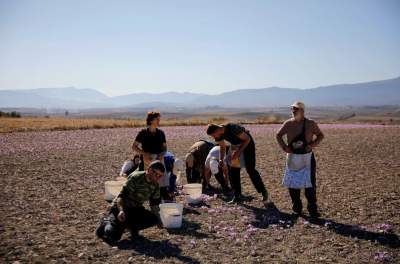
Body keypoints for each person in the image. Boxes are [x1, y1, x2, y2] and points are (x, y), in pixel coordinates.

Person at [96, 161, 165, 245]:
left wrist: (159, 220)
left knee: (153, 219)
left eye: (160, 175)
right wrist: (121, 211)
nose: (158, 177)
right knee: (113, 237)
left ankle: (131, 227)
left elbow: (154, 205)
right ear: (150, 170)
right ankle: (106, 222)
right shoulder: (136, 177)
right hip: (121, 207)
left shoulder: (155, 185)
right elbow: (121, 197)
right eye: (156, 174)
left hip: (135, 209)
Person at [276, 101, 324, 217]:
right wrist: (284, 147)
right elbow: (278, 135)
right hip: (292, 157)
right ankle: (297, 208)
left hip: (307, 157)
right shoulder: (288, 123)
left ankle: (312, 209)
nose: (293, 111)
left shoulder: (311, 123)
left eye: (296, 109)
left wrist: (311, 145)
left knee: (310, 184)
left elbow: (320, 135)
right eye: (292, 109)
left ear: (302, 111)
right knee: (293, 184)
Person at [206, 123, 268, 204]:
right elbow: (222, 146)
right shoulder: (219, 135)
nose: (214, 138)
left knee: (250, 169)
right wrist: (221, 159)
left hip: (247, 144)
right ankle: (237, 196)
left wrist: (238, 152)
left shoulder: (232, 128)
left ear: (217, 130)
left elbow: (247, 139)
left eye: (214, 135)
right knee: (233, 170)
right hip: (235, 145)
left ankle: (263, 191)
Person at [132, 111, 170, 200]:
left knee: (162, 177)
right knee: (151, 178)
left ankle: (163, 194)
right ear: (151, 120)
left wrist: (162, 154)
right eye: (157, 119)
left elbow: (165, 148)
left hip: (159, 158)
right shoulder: (143, 133)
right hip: (147, 159)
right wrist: (144, 153)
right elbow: (134, 146)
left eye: (159, 119)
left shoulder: (161, 133)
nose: (159, 121)